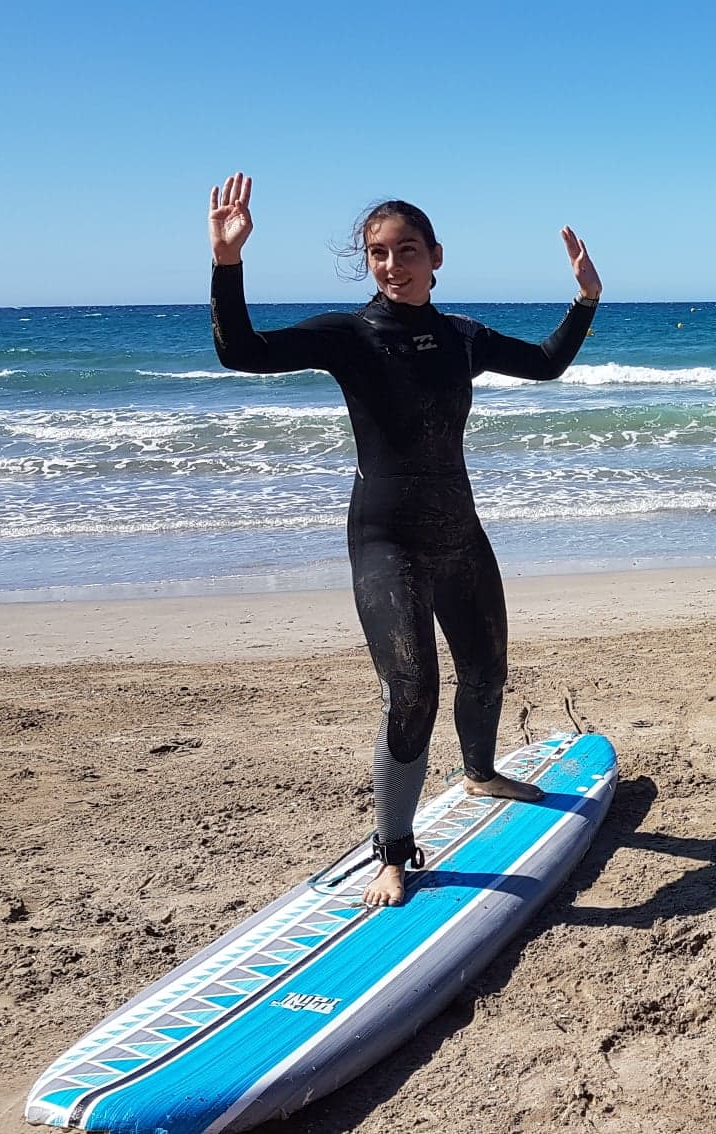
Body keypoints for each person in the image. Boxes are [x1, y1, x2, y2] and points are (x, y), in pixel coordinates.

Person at [206, 172, 602, 906]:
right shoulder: (349, 337)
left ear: (435, 256)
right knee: (411, 690)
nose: (392, 265)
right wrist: (228, 264)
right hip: (387, 539)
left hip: (461, 533)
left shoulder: (462, 338)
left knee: (486, 669)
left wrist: (586, 300)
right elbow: (242, 353)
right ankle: (392, 851)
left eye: (406, 250)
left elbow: (547, 364)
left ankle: (480, 772)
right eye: (378, 254)